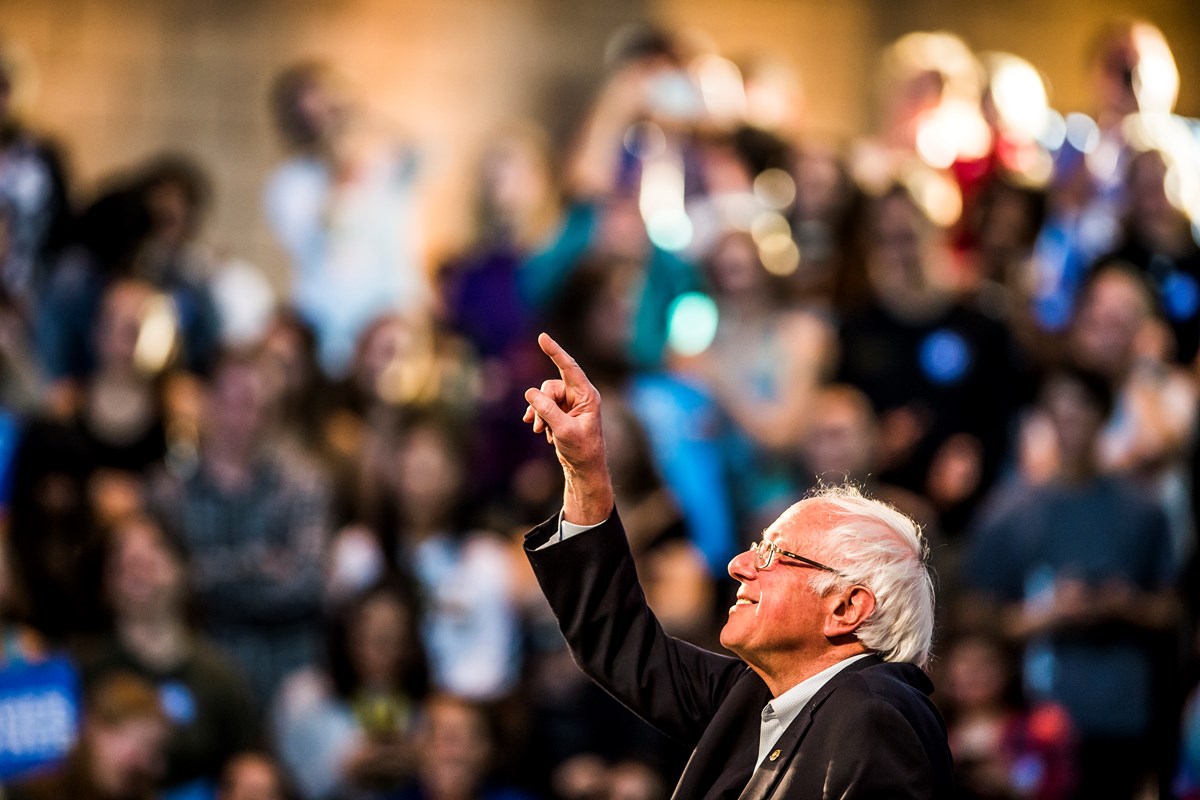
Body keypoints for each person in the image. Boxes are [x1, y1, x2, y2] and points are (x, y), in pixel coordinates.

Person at [519, 333, 952, 799]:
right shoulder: (757, 696)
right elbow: (618, 642)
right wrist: (585, 471)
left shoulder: (876, 714)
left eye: (773, 555)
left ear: (845, 608)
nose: (739, 565)